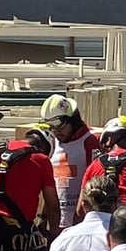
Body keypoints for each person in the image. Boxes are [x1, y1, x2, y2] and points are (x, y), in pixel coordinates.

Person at [40, 94, 100, 229]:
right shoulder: (51, 143)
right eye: (50, 126)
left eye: (58, 125)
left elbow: (97, 183)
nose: (55, 131)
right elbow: (50, 183)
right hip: (56, 224)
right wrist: (43, 216)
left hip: (82, 223)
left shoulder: (91, 141)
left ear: (73, 120)